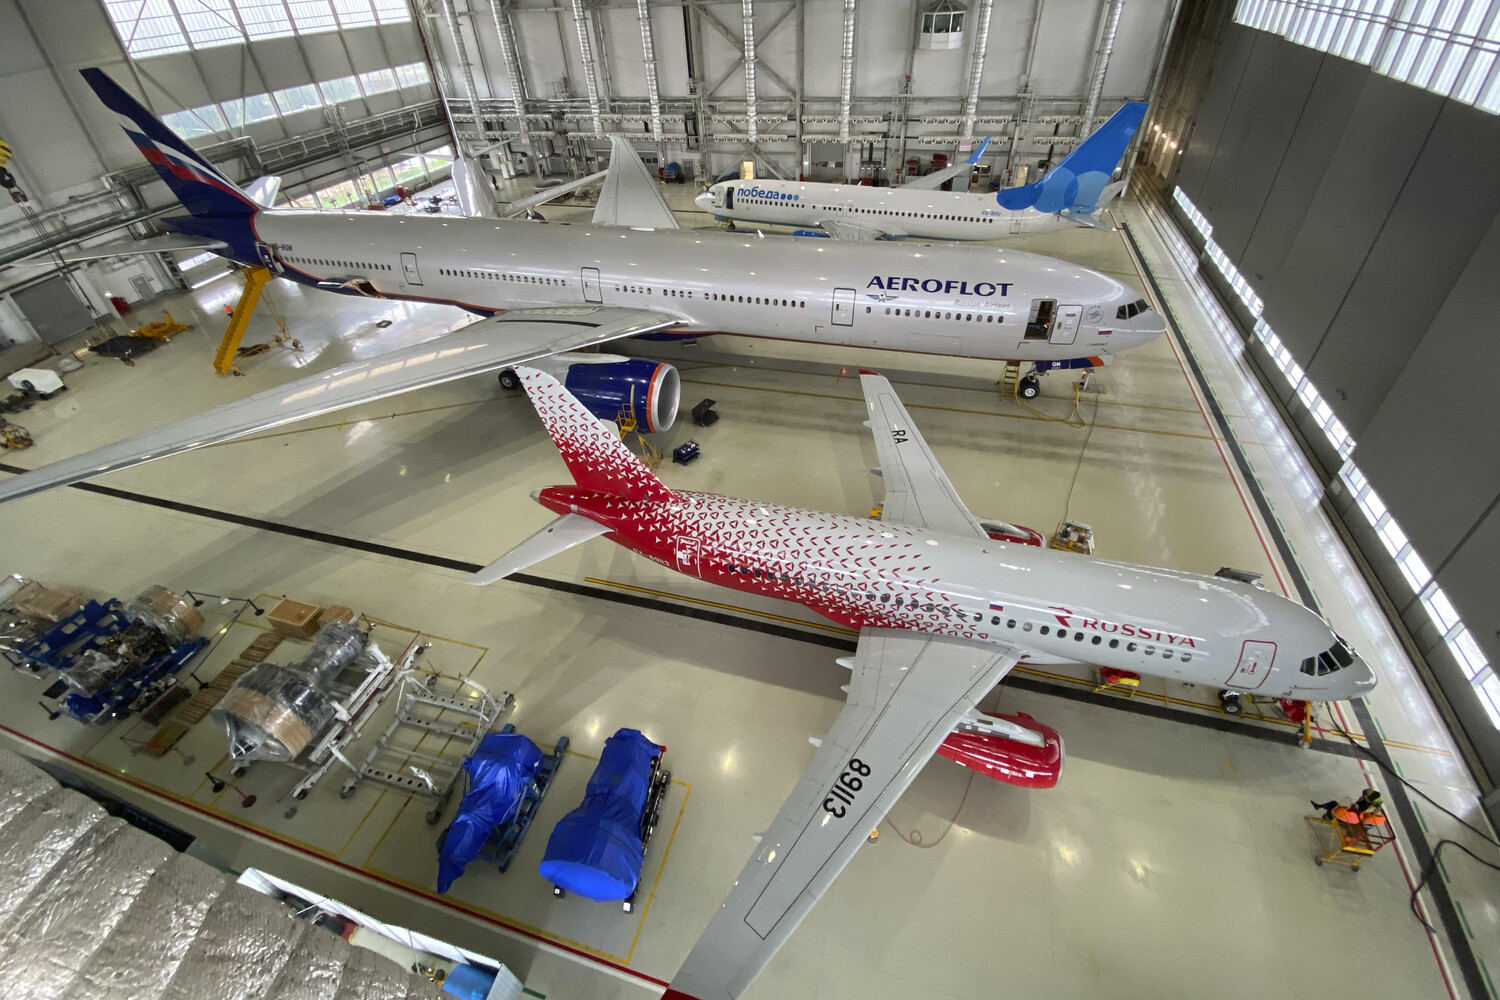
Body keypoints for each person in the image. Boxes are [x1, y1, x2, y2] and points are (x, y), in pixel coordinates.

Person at [1312, 787, 1386, 825]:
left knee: (1333, 804)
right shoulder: (1370, 798)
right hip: (1353, 816)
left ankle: (1323, 813)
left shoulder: (1372, 807)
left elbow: (1364, 812)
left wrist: (1354, 808)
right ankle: (1321, 809)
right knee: (1334, 807)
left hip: (1343, 816)